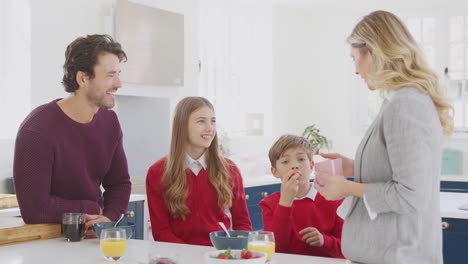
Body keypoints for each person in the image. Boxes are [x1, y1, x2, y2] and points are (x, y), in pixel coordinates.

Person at [314, 11, 454, 264]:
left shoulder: (406, 104)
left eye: (355, 58)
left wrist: (348, 188)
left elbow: (411, 194)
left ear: (375, 52)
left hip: (398, 256)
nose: (355, 70)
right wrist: (353, 167)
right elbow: (399, 172)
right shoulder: (399, 101)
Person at [13, 34, 132, 233]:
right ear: (83, 78)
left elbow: (119, 183)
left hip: (91, 237)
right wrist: (93, 209)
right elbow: (35, 210)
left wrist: (107, 218)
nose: (119, 83)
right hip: (48, 243)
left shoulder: (110, 122)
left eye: (118, 74)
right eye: (111, 75)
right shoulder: (37, 129)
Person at [146, 96, 252, 246]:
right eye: (201, 121)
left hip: (218, 255)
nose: (210, 128)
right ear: (182, 126)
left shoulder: (230, 170)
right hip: (178, 257)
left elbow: (243, 225)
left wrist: (228, 253)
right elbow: (161, 232)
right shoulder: (157, 172)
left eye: (213, 121)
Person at [259, 134, 344, 258]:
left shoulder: (333, 199)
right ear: (275, 172)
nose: (295, 166)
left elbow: (348, 249)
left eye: (301, 159)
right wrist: (285, 202)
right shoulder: (269, 204)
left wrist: (325, 241)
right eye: (285, 161)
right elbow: (275, 249)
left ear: (311, 166)